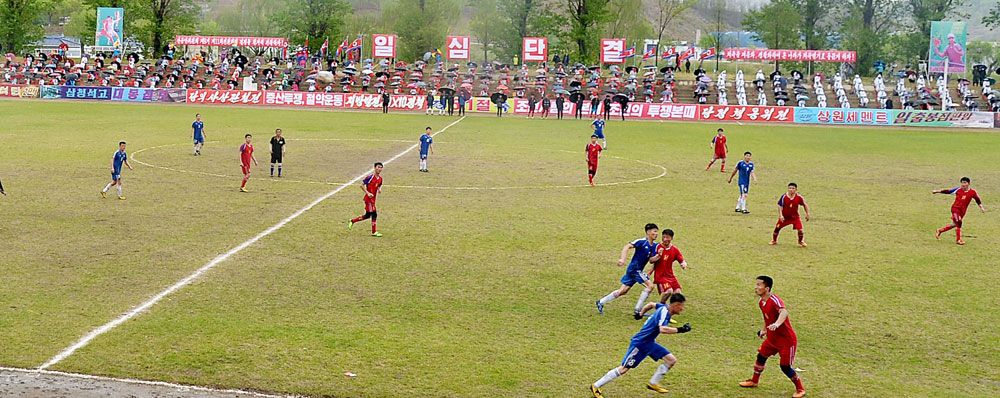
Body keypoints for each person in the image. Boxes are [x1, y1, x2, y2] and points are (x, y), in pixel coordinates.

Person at [590, 293, 691, 398]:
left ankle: (653, 383)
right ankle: (596, 386)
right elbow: (662, 329)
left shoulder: (663, 307)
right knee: (624, 368)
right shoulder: (664, 313)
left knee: (671, 360)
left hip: (649, 343)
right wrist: (680, 330)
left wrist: (641, 313)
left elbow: (651, 304)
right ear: (676, 305)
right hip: (640, 344)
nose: (682, 309)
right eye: (681, 306)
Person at [739, 276, 806, 398]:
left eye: (759, 285)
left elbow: (783, 312)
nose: (756, 287)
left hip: (786, 341)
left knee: (785, 367)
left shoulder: (775, 300)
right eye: (756, 284)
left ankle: (800, 389)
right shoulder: (761, 302)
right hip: (772, 339)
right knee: (761, 357)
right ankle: (754, 381)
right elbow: (767, 317)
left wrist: (777, 324)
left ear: (767, 288)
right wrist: (764, 330)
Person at [596, 223, 660, 319]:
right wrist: (622, 259)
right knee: (650, 286)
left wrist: (658, 255)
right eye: (654, 231)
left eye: (657, 232)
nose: (656, 234)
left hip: (635, 270)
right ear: (648, 232)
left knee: (623, 291)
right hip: (635, 269)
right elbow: (627, 246)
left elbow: (651, 260)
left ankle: (601, 302)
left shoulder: (654, 246)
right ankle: (638, 310)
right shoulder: (641, 241)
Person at [932, 177, 985, 245]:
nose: (963, 184)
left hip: (962, 211)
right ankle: (958, 240)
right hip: (955, 209)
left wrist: (981, 207)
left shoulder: (972, 192)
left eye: (965, 183)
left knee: (955, 224)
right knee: (959, 222)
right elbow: (948, 191)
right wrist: (937, 191)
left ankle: (940, 230)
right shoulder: (958, 190)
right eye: (962, 183)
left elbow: (977, 199)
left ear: (968, 183)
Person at [348, 162, 384, 237]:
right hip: (368, 200)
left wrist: (379, 189)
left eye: (381, 167)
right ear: (375, 168)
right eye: (378, 167)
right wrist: (367, 193)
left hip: (373, 200)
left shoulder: (380, 179)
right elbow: (361, 185)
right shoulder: (370, 177)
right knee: (374, 214)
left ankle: (353, 221)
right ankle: (374, 232)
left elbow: (379, 185)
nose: (379, 169)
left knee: (367, 215)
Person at [649, 229, 687, 297]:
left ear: (671, 238)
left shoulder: (674, 249)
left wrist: (683, 264)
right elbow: (651, 261)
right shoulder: (657, 247)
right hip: (661, 276)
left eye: (667, 237)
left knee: (678, 294)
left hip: (670, 276)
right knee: (668, 291)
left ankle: (671, 307)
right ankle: (660, 306)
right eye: (663, 237)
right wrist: (658, 255)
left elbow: (681, 259)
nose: (665, 239)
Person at [771, 183, 810, 247]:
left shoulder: (799, 197)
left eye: (793, 188)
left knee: (800, 230)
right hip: (785, 217)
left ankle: (800, 241)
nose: (791, 190)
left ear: (796, 189)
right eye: (790, 188)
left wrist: (807, 214)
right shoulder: (784, 197)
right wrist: (780, 215)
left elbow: (805, 205)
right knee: (777, 228)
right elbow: (780, 206)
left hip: (795, 217)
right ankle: (774, 240)